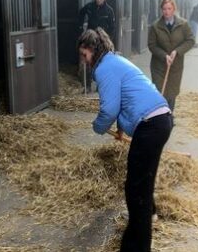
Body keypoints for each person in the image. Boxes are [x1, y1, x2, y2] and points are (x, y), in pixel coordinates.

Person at [78, 27, 173, 252]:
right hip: (161, 118)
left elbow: (110, 108)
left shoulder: (104, 68)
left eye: (84, 55)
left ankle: (136, 246)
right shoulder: (115, 61)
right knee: (143, 180)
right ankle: (150, 214)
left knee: (135, 188)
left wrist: (98, 127)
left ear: (92, 49)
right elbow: (123, 102)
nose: (83, 60)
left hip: (150, 125)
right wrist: (121, 130)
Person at [148, 0, 195, 111]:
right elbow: (152, 45)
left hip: (175, 65)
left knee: (171, 94)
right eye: (164, 9)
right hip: (158, 66)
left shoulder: (183, 25)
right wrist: (164, 55)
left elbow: (191, 40)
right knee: (160, 92)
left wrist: (177, 51)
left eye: (169, 8)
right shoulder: (155, 26)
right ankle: (160, 117)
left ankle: (168, 116)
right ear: (161, 9)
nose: (167, 12)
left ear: (174, 9)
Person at [78, 0, 116, 93]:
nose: (98, 0)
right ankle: (87, 86)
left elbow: (112, 28)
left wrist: (108, 41)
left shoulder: (109, 10)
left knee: (101, 64)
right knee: (87, 63)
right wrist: (81, 28)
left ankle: (100, 86)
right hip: (91, 40)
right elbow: (81, 13)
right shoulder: (90, 7)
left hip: (102, 41)